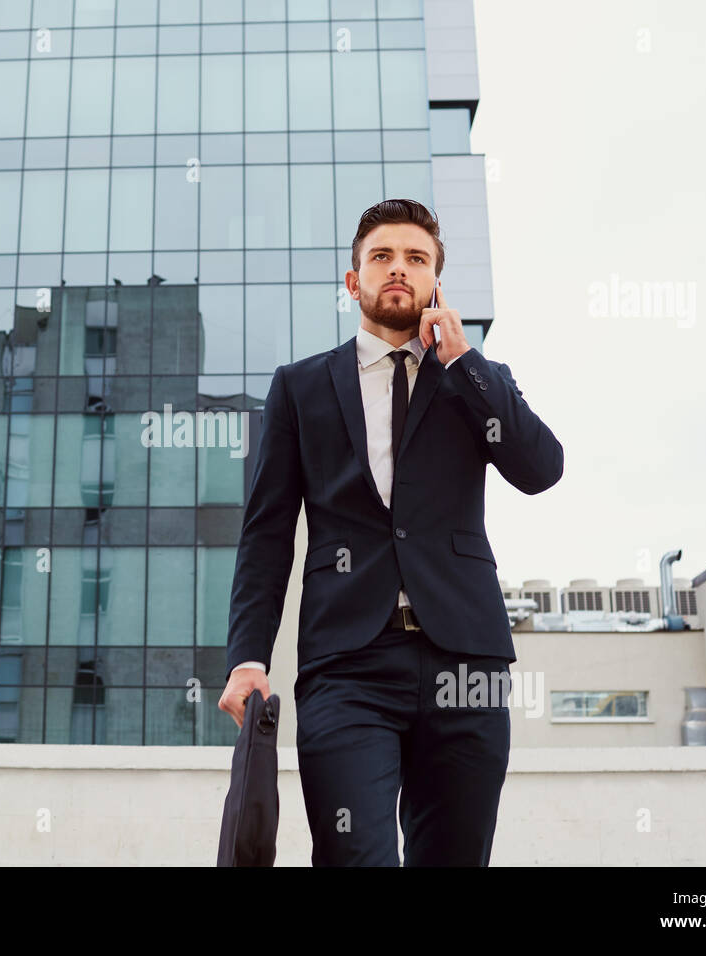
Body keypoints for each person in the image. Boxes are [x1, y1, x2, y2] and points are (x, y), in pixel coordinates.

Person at [218, 198, 563, 866]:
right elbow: (266, 534)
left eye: (416, 259)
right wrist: (247, 655)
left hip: (466, 662)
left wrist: (466, 364)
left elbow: (540, 469)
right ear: (354, 282)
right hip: (347, 667)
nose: (398, 269)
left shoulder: (477, 382)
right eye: (381, 257)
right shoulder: (299, 388)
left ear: (437, 283)